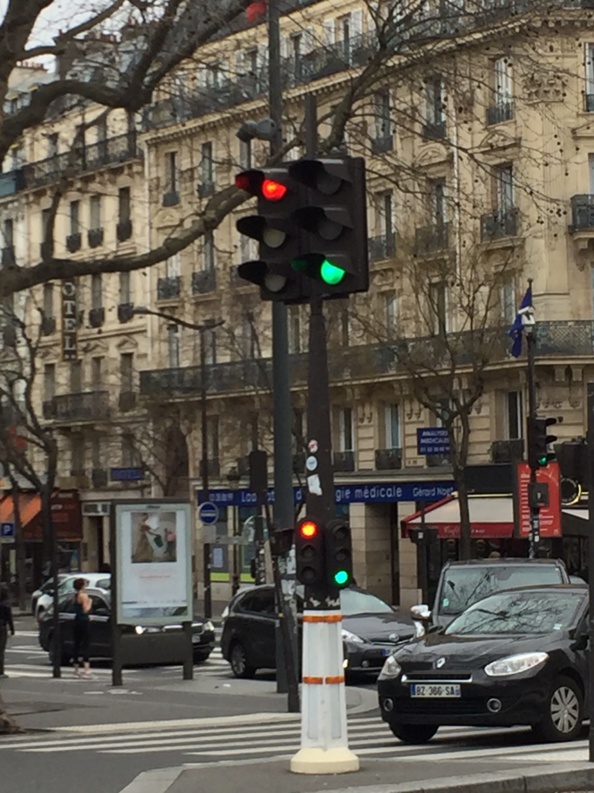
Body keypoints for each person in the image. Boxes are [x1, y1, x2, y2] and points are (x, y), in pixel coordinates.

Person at [72, 578, 92, 679]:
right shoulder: (84, 595)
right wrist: (90, 602)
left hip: (76, 621)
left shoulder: (75, 596)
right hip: (84, 621)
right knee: (85, 644)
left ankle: (76, 669)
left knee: (77, 644)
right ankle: (86, 669)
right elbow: (85, 610)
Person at [0, 588, 14, 678]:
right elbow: (9, 618)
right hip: (2, 627)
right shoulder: (5, 605)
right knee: (1, 650)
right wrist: (12, 629)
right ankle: (1, 671)